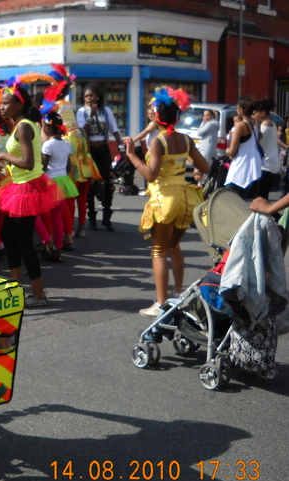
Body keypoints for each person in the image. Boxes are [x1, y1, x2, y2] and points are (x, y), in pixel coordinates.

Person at [123, 87, 209, 318]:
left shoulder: (159, 141)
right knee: (174, 247)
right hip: (185, 200)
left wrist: (132, 155)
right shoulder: (186, 139)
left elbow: (151, 175)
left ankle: (161, 304)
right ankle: (179, 293)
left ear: (158, 117)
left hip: (165, 200)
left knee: (159, 251)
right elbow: (206, 167)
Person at [0, 77, 59, 308]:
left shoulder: (22, 126)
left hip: (27, 189)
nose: (2, 106)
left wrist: (2, 156)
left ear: (19, 104)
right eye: (1, 103)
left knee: (23, 242)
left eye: (6, 102)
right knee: (9, 237)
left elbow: (29, 162)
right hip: (19, 187)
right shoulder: (21, 124)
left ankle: (39, 294)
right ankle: (14, 289)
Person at [76, 83, 123, 231]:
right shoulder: (81, 112)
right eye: (86, 96)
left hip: (104, 150)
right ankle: (92, 218)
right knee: (90, 186)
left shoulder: (106, 111)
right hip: (89, 152)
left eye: (91, 95)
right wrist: (90, 116)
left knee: (108, 184)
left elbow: (114, 130)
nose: (89, 98)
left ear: (97, 96)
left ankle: (107, 217)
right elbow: (82, 133)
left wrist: (121, 149)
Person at [41, 110, 78, 262]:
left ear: (48, 129)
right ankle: (58, 249)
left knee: (45, 216)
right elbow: (68, 166)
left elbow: (43, 167)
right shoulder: (67, 145)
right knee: (57, 218)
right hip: (63, 181)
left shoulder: (47, 145)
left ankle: (48, 246)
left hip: (50, 182)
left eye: (44, 126)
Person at [224, 96, 262, 199]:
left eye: (237, 108)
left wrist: (227, 150)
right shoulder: (257, 123)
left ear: (241, 110)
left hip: (240, 166)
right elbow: (258, 140)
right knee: (242, 201)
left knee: (230, 200)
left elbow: (232, 151)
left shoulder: (240, 126)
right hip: (253, 165)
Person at [252, 97, 281, 200]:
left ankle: (274, 215)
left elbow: (254, 140)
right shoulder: (271, 124)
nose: (253, 115)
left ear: (263, 113)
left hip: (267, 165)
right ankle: (270, 215)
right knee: (263, 197)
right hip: (271, 163)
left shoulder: (265, 125)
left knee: (259, 197)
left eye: (255, 113)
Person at [132, 106, 160, 195]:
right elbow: (150, 135)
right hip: (151, 149)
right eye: (149, 114)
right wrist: (143, 140)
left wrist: (133, 140)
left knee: (148, 170)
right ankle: (149, 189)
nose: (150, 115)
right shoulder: (155, 123)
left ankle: (148, 190)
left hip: (153, 150)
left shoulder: (154, 123)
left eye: (152, 113)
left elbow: (144, 132)